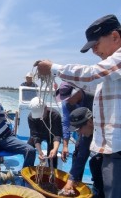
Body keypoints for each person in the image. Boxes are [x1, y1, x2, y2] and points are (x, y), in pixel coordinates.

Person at [34, 14, 121, 197]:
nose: (94, 51)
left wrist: (53, 68)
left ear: (115, 37)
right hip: (108, 148)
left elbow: (91, 75)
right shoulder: (113, 72)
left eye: (96, 45)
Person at [60, 107, 104, 198]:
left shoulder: (106, 128)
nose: (79, 133)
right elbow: (81, 157)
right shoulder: (86, 135)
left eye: (79, 129)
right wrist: (70, 181)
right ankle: (99, 191)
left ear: (90, 122)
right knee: (94, 162)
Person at [56, 82, 94, 165]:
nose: (67, 100)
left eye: (68, 97)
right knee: (78, 155)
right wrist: (65, 146)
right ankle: (75, 178)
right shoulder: (66, 104)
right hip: (83, 133)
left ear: (77, 91)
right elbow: (66, 124)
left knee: (96, 161)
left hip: (97, 131)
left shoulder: (93, 99)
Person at [27, 97, 62, 168]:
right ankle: (28, 167)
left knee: (52, 155)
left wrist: (55, 149)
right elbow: (35, 135)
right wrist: (40, 152)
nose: (40, 118)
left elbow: (57, 135)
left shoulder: (55, 115)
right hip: (38, 134)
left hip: (51, 136)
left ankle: (52, 172)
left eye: (41, 114)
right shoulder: (31, 117)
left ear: (46, 108)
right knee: (29, 148)